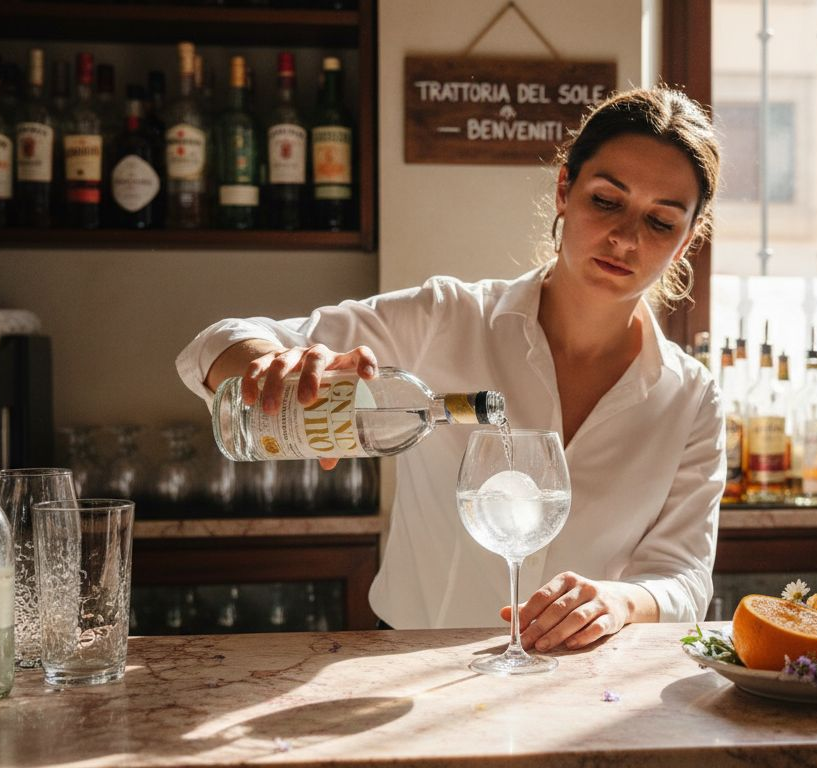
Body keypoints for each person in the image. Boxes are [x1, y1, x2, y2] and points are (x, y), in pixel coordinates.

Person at [176, 87, 725, 652]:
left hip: (580, 686)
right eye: (606, 201)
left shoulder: (692, 397)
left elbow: (683, 576)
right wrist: (272, 364)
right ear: (565, 189)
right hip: (406, 671)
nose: (626, 238)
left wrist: (620, 601)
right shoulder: (448, 316)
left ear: (686, 241)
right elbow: (212, 346)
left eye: (660, 222)